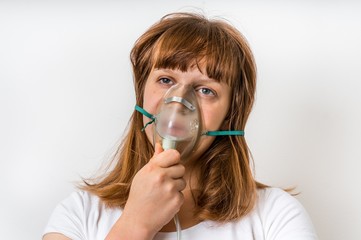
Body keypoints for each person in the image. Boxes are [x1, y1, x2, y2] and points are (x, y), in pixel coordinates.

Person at [43, 12, 318, 240]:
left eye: (206, 90)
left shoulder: (276, 217)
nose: (178, 102)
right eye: (165, 80)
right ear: (141, 93)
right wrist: (135, 224)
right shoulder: (79, 214)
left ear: (230, 116)